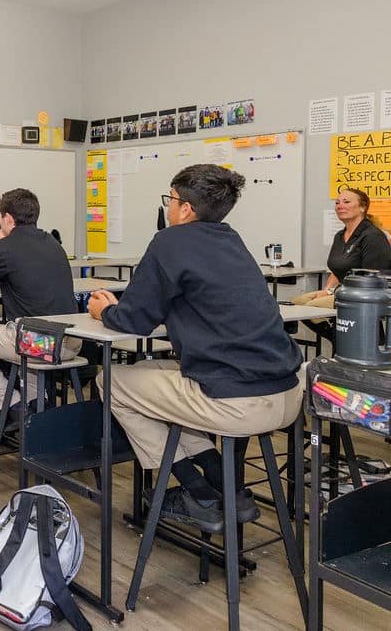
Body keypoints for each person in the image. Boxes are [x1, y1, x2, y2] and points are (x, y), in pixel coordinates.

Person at [86, 164, 303, 533]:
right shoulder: (232, 240)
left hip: (234, 401)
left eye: (169, 200)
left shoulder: (170, 242)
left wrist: (104, 309)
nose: (168, 208)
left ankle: (198, 492)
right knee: (154, 375)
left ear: (185, 208)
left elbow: (134, 321)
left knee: (110, 381)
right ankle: (229, 487)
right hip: (287, 392)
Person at [0, 188, 78, 416]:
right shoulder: (53, 244)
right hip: (71, 341)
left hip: (38, 344)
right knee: (25, 350)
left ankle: (12, 404)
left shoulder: (5, 247)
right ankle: (37, 405)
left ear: (8, 219)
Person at [291, 187, 391, 340]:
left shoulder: (372, 236)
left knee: (311, 308)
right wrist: (327, 290)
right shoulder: (340, 235)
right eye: (337, 203)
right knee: (297, 303)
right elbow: (338, 268)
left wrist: (334, 293)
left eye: (346, 202)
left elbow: (370, 278)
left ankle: (344, 339)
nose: (340, 206)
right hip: (342, 291)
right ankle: (337, 337)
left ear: (362, 207)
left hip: (363, 294)